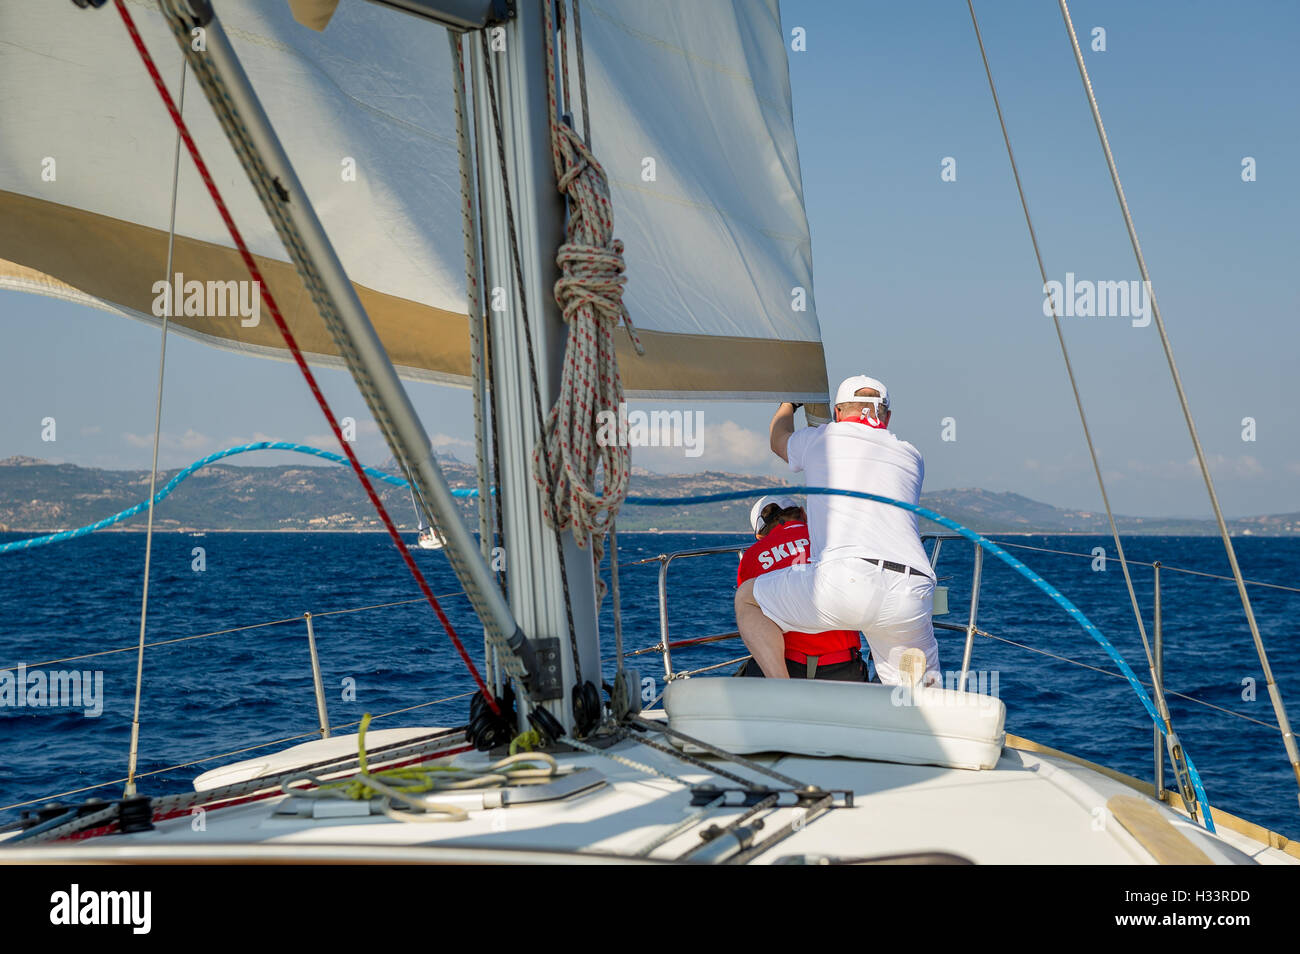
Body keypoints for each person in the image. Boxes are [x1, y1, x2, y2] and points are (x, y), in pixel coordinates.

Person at [734, 375, 940, 685]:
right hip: (911, 588)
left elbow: (779, 439)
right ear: (887, 417)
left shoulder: (822, 439)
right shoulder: (912, 455)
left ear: (838, 414)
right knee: (919, 695)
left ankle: (781, 690)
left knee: (747, 600)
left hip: (845, 581)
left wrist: (787, 404)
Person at [734, 495, 867, 681]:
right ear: (803, 514)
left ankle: (781, 690)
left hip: (788, 668)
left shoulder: (752, 557)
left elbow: (754, 619)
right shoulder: (834, 542)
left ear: (759, 534)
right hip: (843, 670)